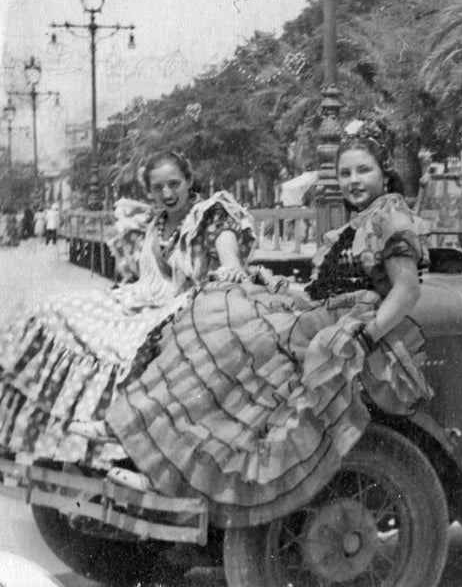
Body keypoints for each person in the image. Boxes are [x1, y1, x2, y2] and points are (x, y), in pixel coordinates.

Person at [101, 120, 431, 527]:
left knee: (233, 340)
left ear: (384, 173)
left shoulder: (390, 216)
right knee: (216, 313)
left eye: (364, 170)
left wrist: (366, 335)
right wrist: (272, 282)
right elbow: (325, 287)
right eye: (345, 173)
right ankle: (159, 452)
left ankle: (183, 475)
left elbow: (407, 290)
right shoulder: (358, 222)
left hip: (353, 321)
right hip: (321, 311)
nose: (353, 181)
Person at [0, 151, 253, 468]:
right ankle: (25, 428)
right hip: (141, 300)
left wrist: (230, 265)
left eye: (174, 184)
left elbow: (229, 256)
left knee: (129, 344)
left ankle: (117, 430)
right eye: (158, 187)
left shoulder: (210, 216)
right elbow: (134, 278)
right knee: (52, 310)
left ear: (189, 181)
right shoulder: (150, 223)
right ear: (149, 191)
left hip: (185, 305)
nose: (168, 193)